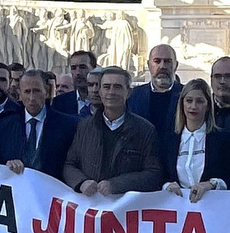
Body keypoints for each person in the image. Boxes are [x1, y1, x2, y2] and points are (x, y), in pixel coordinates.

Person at [62, 67, 163, 199]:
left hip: (125, 211)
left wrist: (116, 185)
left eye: (117, 87)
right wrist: (81, 182)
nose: (111, 92)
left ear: (129, 92)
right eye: (106, 87)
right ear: (100, 91)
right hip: (91, 210)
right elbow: (69, 165)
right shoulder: (84, 127)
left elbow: (154, 174)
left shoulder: (145, 130)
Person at [161, 79, 230, 200]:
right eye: (189, 101)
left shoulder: (222, 139)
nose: (193, 106)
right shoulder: (169, 141)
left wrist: (212, 184)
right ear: (182, 104)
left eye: (200, 101)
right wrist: (167, 185)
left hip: (212, 209)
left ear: (208, 105)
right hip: (177, 210)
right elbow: (161, 175)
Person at [0, 69, 79, 181]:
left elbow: (71, 165)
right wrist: (7, 166)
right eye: (27, 92)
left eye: (37, 91)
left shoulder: (68, 126)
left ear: (47, 92)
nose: (32, 98)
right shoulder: (4, 126)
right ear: (20, 94)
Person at [128, 44, 182, 138]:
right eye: (157, 61)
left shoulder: (187, 95)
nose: (162, 66)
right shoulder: (133, 96)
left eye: (167, 61)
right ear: (149, 65)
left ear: (176, 65)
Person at [53, 51, 96, 116]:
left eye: (82, 67)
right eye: (73, 68)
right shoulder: (59, 103)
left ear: (94, 69)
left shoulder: (105, 102)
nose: (77, 72)